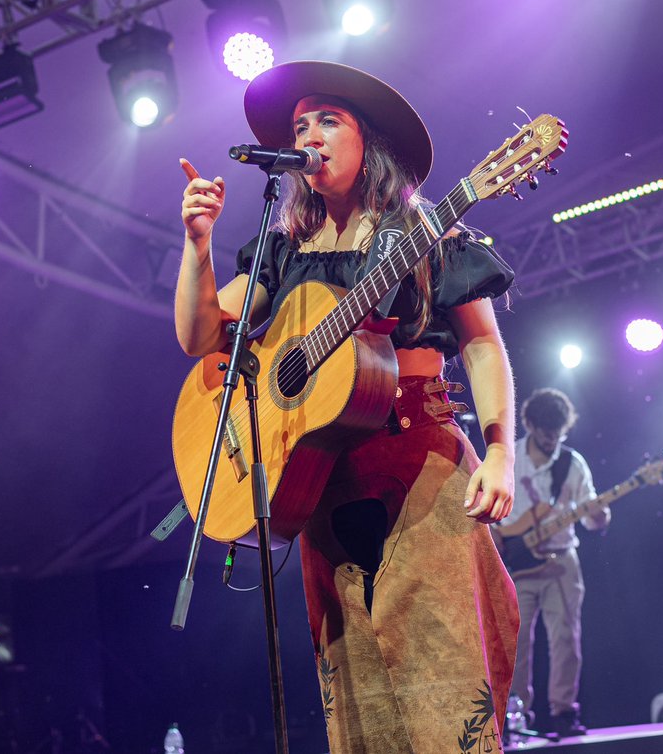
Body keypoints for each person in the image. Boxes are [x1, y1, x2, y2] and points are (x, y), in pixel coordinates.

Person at [176, 60, 520, 753]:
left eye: (328, 120)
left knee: (445, 689)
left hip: (417, 469)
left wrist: (502, 451)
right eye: (300, 125)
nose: (310, 136)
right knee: (360, 706)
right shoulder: (285, 251)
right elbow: (201, 337)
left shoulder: (428, 234)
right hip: (320, 482)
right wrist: (198, 245)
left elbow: (482, 344)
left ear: (373, 145)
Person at [503, 388, 609, 738]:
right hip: (515, 563)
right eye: (546, 432)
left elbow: (590, 512)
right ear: (529, 424)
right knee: (516, 644)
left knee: (566, 639)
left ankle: (564, 712)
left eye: (559, 432)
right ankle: (516, 717)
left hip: (562, 561)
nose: (552, 439)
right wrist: (502, 541)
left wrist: (598, 517)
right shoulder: (509, 457)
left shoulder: (572, 463)